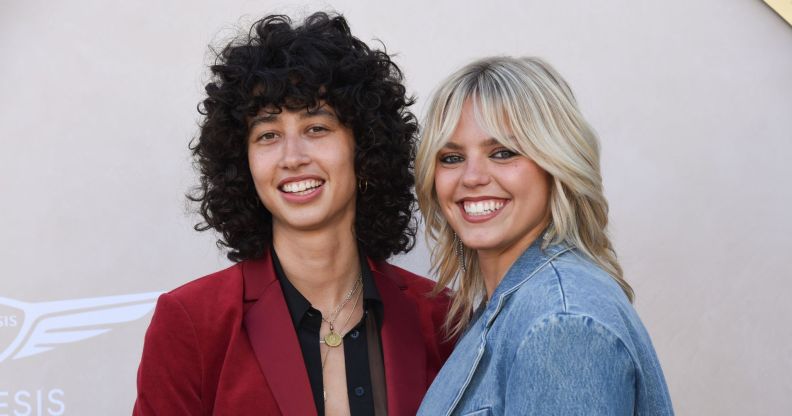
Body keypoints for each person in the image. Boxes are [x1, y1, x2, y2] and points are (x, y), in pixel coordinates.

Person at [133, 12, 452, 416]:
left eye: (316, 128)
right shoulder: (192, 324)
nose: (293, 157)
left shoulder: (438, 317)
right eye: (268, 134)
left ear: (365, 146)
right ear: (241, 161)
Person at [414, 57, 674, 415]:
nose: (472, 177)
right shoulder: (509, 307)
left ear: (556, 165)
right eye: (452, 157)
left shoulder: (560, 326)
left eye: (502, 153)